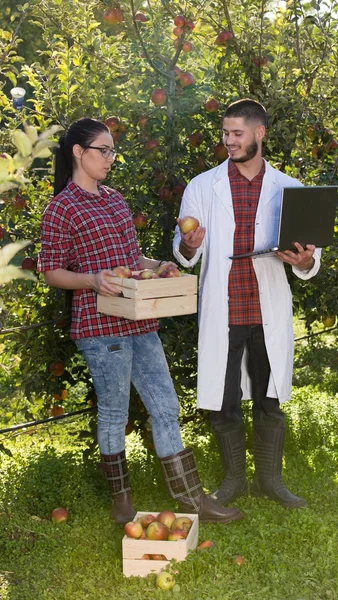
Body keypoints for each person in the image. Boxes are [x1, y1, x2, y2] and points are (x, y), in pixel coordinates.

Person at [37, 117, 242, 525]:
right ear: (79, 152)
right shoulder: (61, 208)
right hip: (99, 327)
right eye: (104, 150)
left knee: (166, 405)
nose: (111, 158)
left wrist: (160, 264)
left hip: (139, 319)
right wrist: (92, 281)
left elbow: (133, 261)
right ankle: (121, 501)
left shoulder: (115, 200)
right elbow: (50, 271)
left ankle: (191, 497)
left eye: (113, 150)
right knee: (114, 411)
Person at [173, 99, 322, 509]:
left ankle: (270, 482)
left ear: (259, 133)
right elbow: (183, 250)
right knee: (224, 401)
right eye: (225, 133)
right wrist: (188, 244)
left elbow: (310, 256)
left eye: (237, 133)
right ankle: (234, 480)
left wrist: (305, 260)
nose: (229, 141)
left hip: (266, 307)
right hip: (225, 308)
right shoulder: (203, 186)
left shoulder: (290, 188)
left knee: (269, 398)